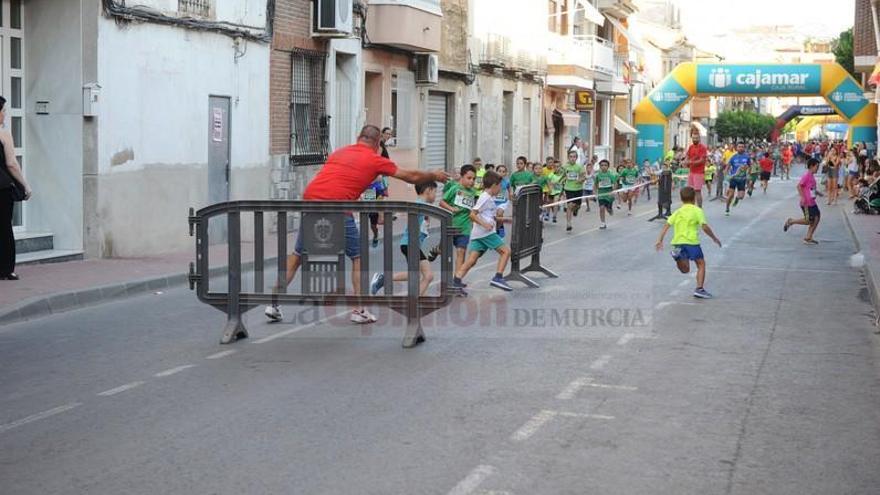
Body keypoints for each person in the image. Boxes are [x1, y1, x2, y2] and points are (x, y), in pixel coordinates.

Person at [264, 125, 449, 324]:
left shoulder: (339, 152)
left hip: (311, 201)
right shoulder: (375, 159)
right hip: (338, 206)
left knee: (298, 255)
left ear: (358, 137)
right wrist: (433, 175)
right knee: (358, 256)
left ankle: (273, 302)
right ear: (378, 143)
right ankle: (359, 309)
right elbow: (410, 176)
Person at [370, 181, 437, 297]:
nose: (436, 195)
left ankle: (384, 279)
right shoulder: (420, 204)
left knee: (417, 275)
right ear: (428, 190)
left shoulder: (423, 205)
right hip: (410, 244)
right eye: (435, 192)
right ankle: (413, 300)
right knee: (427, 275)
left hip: (411, 244)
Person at [655, 186, 722, 299]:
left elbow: (666, 225)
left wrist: (659, 240)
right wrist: (714, 237)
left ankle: (677, 256)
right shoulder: (697, 211)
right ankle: (699, 289)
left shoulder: (678, 211)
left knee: (685, 270)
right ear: (694, 198)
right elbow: (704, 227)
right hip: (692, 242)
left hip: (678, 243)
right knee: (701, 264)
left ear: (681, 199)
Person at [453, 171, 513, 292]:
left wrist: (505, 220)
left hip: (478, 234)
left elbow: (488, 215)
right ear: (494, 185)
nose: (501, 189)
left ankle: (456, 280)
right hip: (486, 233)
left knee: (472, 260)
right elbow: (472, 214)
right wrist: (485, 224)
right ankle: (498, 277)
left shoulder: (489, 198)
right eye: (500, 186)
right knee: (506, 252)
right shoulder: (484, 197)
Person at [0, 96, 31, 281]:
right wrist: (26, 185)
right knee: (4, 227)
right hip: (2, 188)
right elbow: (12, 164)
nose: (4, 114)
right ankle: (6, 269)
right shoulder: (3, 134)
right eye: (3, 110)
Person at [439, 164, 478, 277]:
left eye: (474, 179)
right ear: (462, 177)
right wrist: (451, 208)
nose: (471, 181)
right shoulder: (455, 188)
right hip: (451, 225)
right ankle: (437, 250)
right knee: (444, 251)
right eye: (469, 178)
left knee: (461, 252)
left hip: (464, 227)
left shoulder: (473, 192)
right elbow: (442, 202)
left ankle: (457, 279)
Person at [784, 158, 822, 245]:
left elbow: (811, 188)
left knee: (817, 217)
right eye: (817, 166)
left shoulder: (812, 176)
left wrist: (818, 193)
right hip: (806, 202)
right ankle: (791, 221)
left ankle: (808, 237)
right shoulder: (807, 176)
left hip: (812, 201)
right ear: (812, 166)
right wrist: (802, 197)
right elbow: (799, 186)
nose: (818, 168)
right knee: (809, 220)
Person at [724, 142, 750, 216]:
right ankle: (727, 208)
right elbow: (728, 166)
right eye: (739, 147)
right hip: (734, 178)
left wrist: (748, 174)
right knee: (730, 195)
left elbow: (749, 166)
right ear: (737, 148)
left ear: (744, 148)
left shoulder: (747, 157)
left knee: (741, 196)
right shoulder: (733, 157)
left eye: (742, 147)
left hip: (742, 179)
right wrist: (726, 176)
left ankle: (737, 199)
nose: (741, 148)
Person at [562, 150, 585, 231]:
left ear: (576, 158)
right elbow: (563, 176)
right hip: (569, 188)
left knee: (577, 205)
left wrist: (580, 180)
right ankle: (568, 224)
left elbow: (583, 177)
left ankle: (576, 210)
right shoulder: (565, 167)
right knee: (569, 205)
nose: (572, 158)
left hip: (578, 189)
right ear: (568, 157)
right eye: (571, 157)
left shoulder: (579, 167)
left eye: (574, 157)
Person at [684, 128, 708, 207]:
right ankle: (692, 208)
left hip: (699, 172)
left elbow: (701, 160)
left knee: (697, 191)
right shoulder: (691, 147)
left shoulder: (703, 148)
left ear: (699, 138)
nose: (695, 139)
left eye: (696, 138)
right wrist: (685, 161)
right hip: (691, 172)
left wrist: (690, 162)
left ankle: (700, 209)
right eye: (693, 138)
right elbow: (687, 156)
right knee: (691, 191)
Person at [595, 159, 618, 230]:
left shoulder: (610, 175)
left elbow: (615, 183)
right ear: (600, 167)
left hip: (609, 195)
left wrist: (613, 191)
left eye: (605, 165)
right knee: (601, 208)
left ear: (608, 167)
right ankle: (603, 223)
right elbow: (596, 184)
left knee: (608, 209)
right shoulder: (598, 175)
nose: (603, 167)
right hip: (601, 194)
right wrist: (595, 192)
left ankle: (610, 209)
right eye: (602, 165)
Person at [494, 164, 512, 238]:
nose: (501, 173)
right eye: (500, 171)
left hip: (502, 202)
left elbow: (510, 190)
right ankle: (499, 227)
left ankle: (498, 229)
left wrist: (511, 195)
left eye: (503, 171)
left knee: (500, 213)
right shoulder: (493, 181)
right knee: (494, 217)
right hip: (493, 202)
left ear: (505, 173)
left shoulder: (506, 181)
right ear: (496, 172)